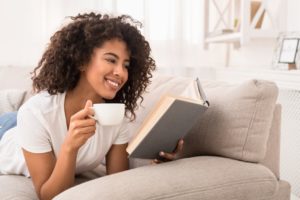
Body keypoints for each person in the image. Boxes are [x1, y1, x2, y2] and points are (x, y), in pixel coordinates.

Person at [0, 12, 183, 199]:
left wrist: (155, 165)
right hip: (7, 133)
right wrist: (70, 147)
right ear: (81, 60)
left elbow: (119, 181)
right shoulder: (35, 113)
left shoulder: (116, 116)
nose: (121, 72)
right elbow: (49, 195)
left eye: (126, 65)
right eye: (111, 60)